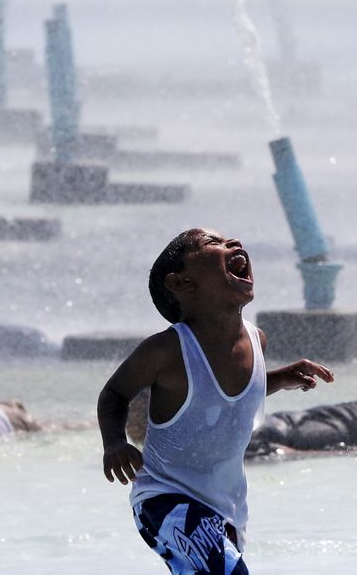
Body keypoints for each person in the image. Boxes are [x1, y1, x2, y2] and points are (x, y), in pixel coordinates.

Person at [98, 228, 335, 574]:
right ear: (182, 284)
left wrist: (279, 379)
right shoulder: (167, 350)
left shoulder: (257, 340)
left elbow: (226, 396)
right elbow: (115, 393)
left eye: (229, 240)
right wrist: (114, 442)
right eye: (212, 244)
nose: (233, 243)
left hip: (227, 507)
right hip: (165, 499)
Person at [126, 390, 357, 456]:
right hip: (339, 419)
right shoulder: (204, 426)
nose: (132, 429)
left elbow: (282, 451)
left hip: (354, 428)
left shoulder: (207, 443)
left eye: (137, 418)